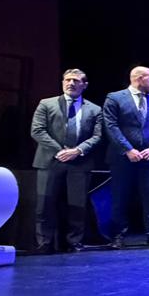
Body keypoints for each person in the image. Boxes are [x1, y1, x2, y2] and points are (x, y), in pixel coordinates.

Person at [29, 68, 102, 252]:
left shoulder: (94, 109)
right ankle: (44, 243)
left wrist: (77, 151)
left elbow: (97, 136)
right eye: (67, 80)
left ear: (84, 85)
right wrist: (60, 151)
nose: (71, 83)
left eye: (76, 81)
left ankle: (74, 242)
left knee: (77, 205)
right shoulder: (46, 104)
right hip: (50, 161)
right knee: (45, 205)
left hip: (79, 163)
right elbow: (37, 130)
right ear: (62, 82)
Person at [102, 65, 149, 248]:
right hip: (123, 158)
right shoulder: (115, 98)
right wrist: (128, 149)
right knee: (120, 197)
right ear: (139, 79)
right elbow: (111, 126)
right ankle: (117, 236)